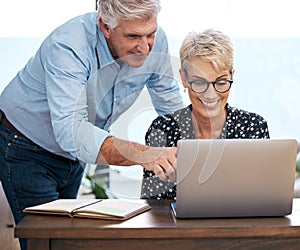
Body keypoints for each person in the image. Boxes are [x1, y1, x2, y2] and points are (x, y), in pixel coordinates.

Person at [0, 1, 184, 248]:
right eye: (133, 36)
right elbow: (71, 132)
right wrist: (144, 154)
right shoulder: (68, 46)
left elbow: (171, 108)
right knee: (46, 241)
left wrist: (197, 152)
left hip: (73, 157)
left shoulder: (154, 40)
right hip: (25, 145)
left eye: (150, 34)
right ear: (105, 26)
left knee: (66, 240)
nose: (144, 47)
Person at [141, 29, 270, 200]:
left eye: (221, 82)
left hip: (240, 225)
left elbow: (263, 196)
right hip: (178, 227)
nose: (211, 95)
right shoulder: (163, 129)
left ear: (232, 75)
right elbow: (154, 206)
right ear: (184, 78)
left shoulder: (253, 126)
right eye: (200, 82)